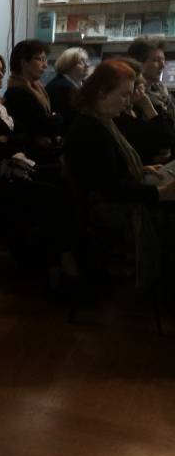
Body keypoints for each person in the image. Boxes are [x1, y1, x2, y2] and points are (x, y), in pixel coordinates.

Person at [0, 52, 78, 286]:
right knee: (56, 197)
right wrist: (12, 140)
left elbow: (23, 134)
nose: (0, 76)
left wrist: (11, 139)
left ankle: (61, 258)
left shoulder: (0, 104)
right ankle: (58, 262)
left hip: (20, 163)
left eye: (1, 70)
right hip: (2, 176)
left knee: (67, 181)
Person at [64, 60, 175, 287]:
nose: (128, 101)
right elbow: (111, 189)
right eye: (124, 95)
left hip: (108, 199)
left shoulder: (101, 120)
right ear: (102, 93)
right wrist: (160, 193)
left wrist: (142, 169)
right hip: (104, 210)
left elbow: (108, 172)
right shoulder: (91, 129)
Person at [4, 39, 64, 163]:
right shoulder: (16, 93)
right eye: (39, 59)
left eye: (45, 59)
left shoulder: (37, 87)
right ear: (23, 62)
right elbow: (44, 126)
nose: (45, 65)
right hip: (32, 156)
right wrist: (57, 118)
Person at [115, 57, 175, 165]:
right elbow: (164, 140)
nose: (145, 83)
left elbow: (168, 137)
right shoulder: (117, 117)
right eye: (140, 81)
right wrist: (147, 105)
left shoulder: (138, 107)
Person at [127, 37, 175, 131]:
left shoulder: (160, 88)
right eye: (156, 60)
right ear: (138, 63)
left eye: (163, 59)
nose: (163, 65)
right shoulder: (133, 96)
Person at [44, 47, 90, 132]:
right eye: (81, 62)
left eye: (87, 61)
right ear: (68, 66)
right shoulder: (62, 88)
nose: (87, 65)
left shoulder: (81, 84)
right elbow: (71, 121)